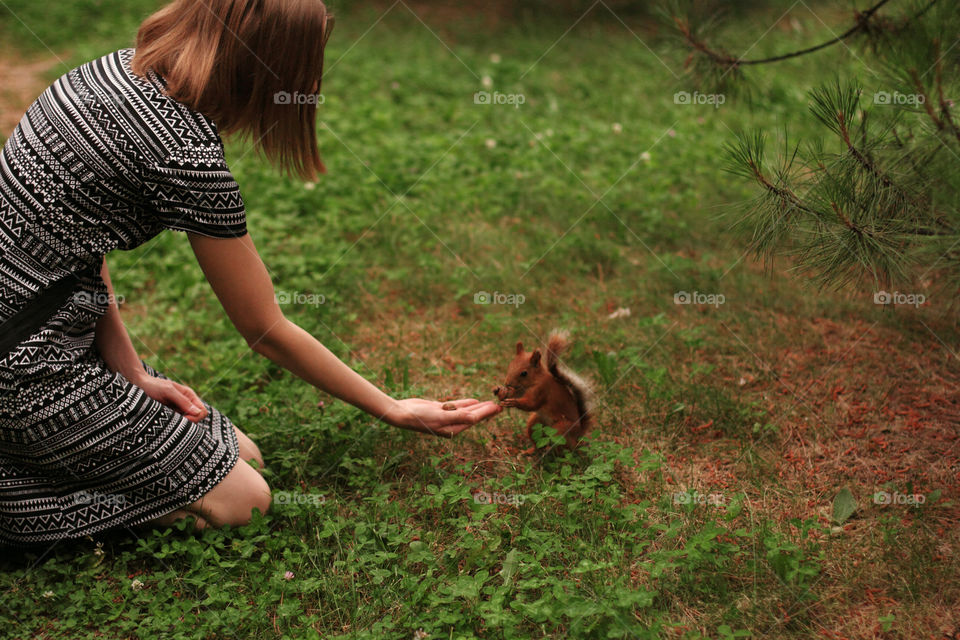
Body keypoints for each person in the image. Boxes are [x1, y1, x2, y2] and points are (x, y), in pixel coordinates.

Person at [0, 0, 501, 547]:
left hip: (43, 335)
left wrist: (131, 372)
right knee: (244, 501)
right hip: (27, 373)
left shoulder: (113, 70)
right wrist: (392, 407)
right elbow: (266, 329)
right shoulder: (184, 153)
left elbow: (82, 252)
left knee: (244, 454)